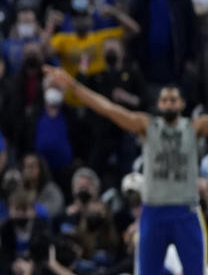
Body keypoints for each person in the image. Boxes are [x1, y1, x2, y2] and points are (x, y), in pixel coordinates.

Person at [44, 66, 208, 274]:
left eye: (173, 100)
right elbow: (108, 109)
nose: (169, 103)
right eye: (165, 100)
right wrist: (74, 86)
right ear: (159, 104)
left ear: (182, 104)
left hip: (185, 210)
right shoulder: (146, 125)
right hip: (153, 211)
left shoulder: (194, 128)